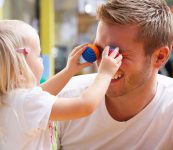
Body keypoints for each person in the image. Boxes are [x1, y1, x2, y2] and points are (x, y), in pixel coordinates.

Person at [57, 0, 173, 149]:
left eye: (117, 54)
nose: (104, 64)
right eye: (98, 50)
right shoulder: (66, 99)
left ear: (159, 57)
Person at [0, 20, 122, 150]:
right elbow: (84, 106)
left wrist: (69, 71)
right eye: (38, 56)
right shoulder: (26, 103)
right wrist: (105, 74)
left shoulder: (12, 100)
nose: (41, 60)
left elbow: (42, 92)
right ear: (20, 69)